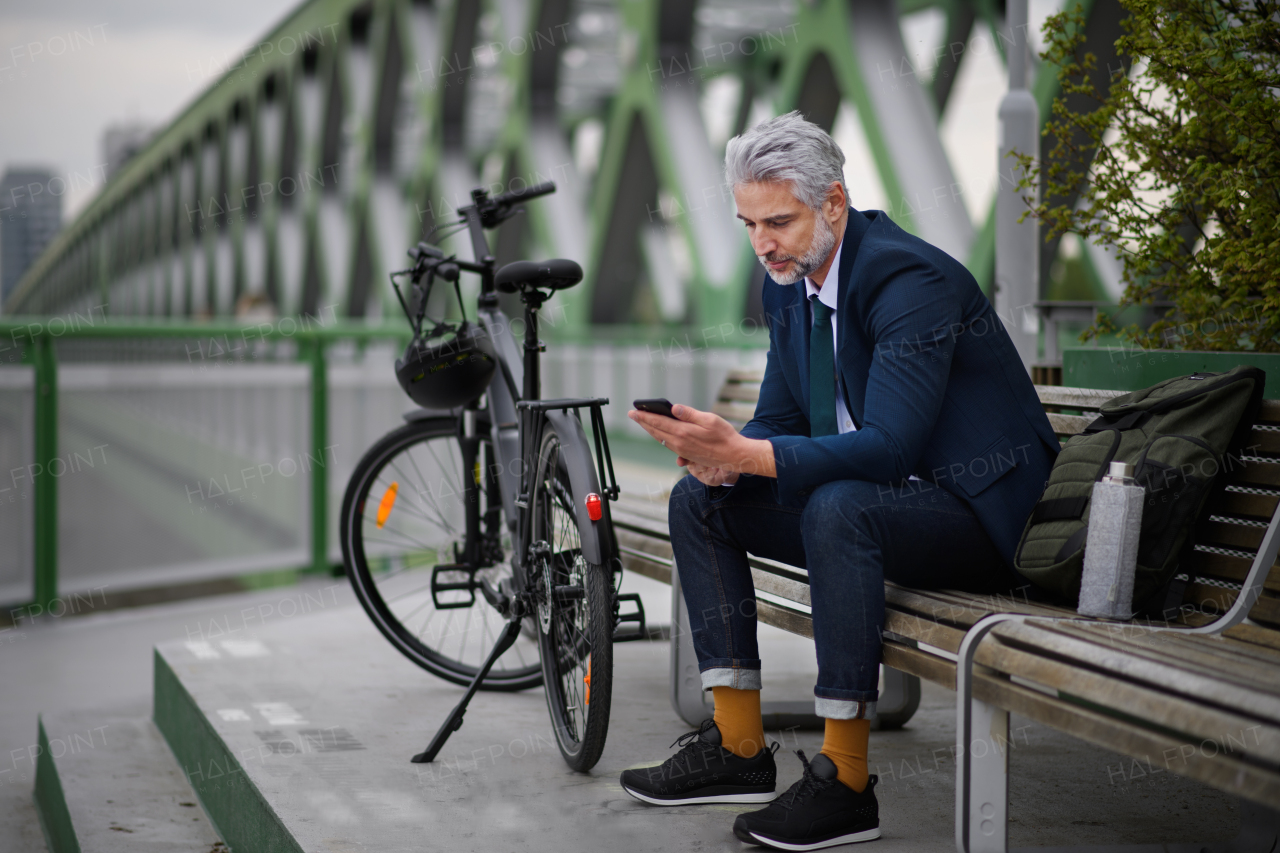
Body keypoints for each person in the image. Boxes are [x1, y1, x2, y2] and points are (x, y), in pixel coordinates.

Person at [621, 111, 1060, 851]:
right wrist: (721, 451)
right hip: (881, 511)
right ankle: (735, 747)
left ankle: (847, 781)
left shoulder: (908, 279)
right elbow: (780, 419)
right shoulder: (789, 285)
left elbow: (889, 449)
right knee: (702, 500)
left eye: (779, 221)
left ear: (833, 203)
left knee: (841, 505)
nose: (763, 244)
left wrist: (754, 455)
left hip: (980, 519)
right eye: (749, 224)